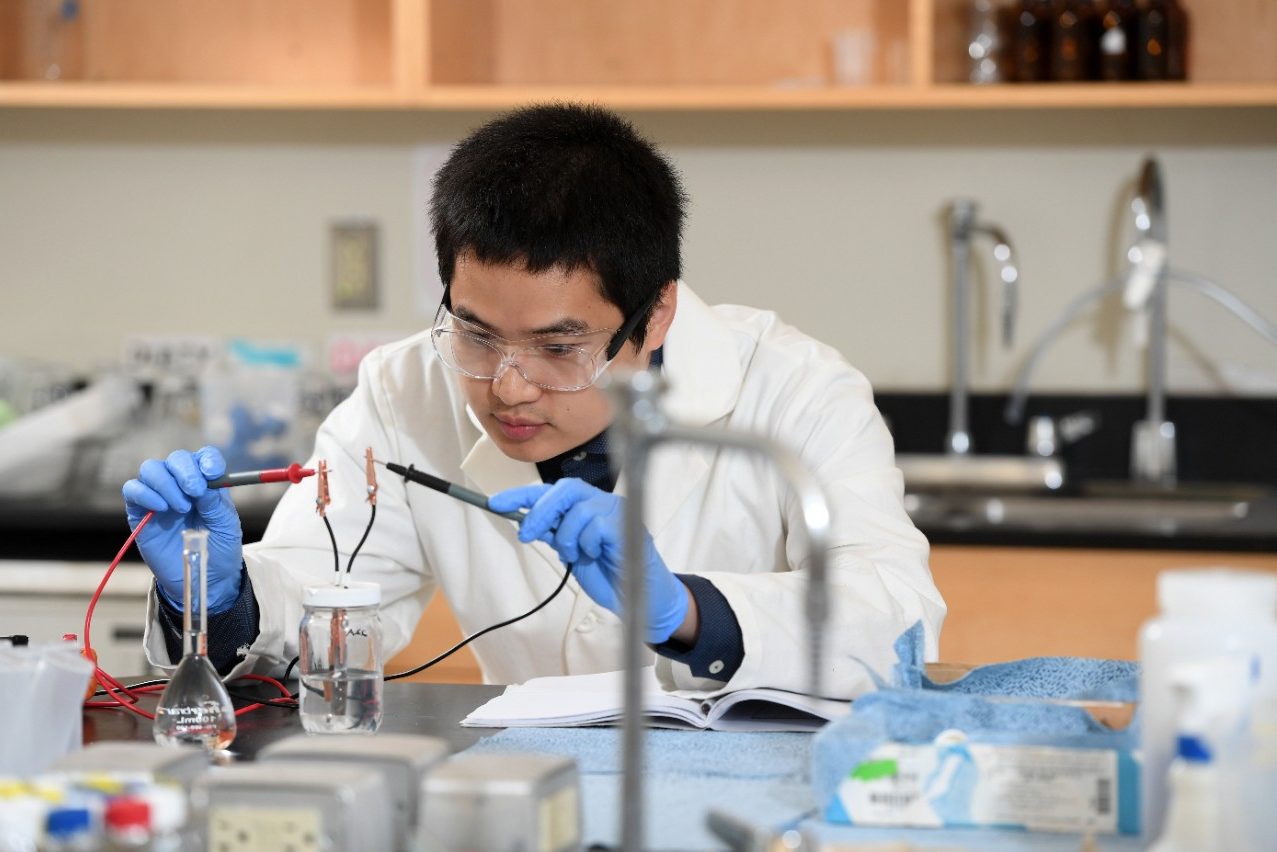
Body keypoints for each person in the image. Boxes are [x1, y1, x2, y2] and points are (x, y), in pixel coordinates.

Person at [123, 103, 945, 698]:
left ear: (654, 313)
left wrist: (688, 610)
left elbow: (897, 621)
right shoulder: (402, 389)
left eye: (559, 349)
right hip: (524, 788)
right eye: (475, 333)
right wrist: (221, 594)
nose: (507, 387)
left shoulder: (793, 389)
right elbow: (325, 593)